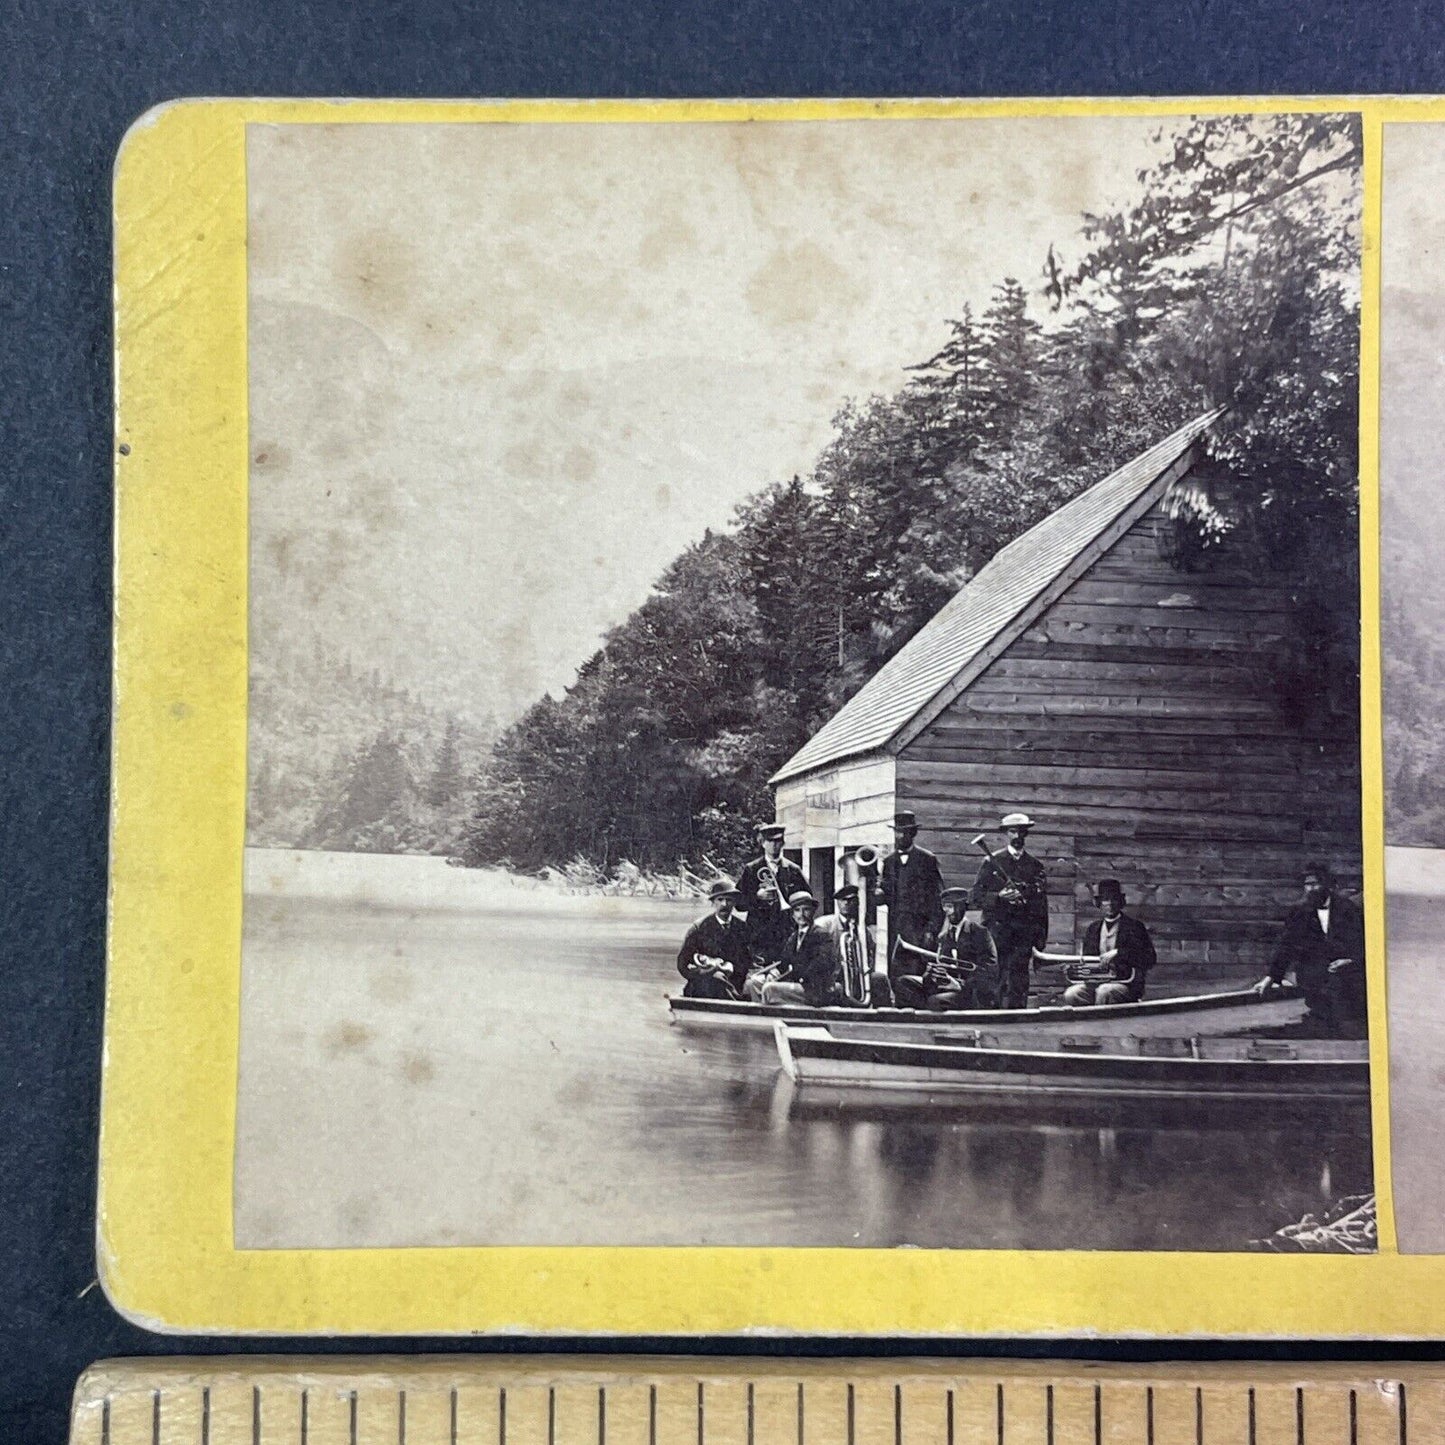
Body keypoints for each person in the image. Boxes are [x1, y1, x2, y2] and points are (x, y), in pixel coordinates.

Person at [1254, 863, 1367, 1037]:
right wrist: (1271, 977)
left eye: (1315, 884)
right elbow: (1286, 944)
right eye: (1307, 885)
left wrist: (1351, 961)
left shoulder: (1348, 909)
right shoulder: (1299, 911)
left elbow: (1362, 942)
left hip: (1347, 976)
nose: (1310, 889)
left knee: (1348, 1021)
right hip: (1313, 977)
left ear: (1328, 886)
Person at [971, 811, 1049, 1009]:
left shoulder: (1035, 866)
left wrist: (1040, 940)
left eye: (1021, 832)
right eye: (1013, 832)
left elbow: (1041, 905)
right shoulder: (991, 862)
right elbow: (975, 897)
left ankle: (1017, 1020)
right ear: (1006, 834)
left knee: (1019, 981)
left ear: (1026, 834)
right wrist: (999, 897)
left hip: (1023, 933)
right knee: (995, 979)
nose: (1017, 837)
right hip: (997, 932)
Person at [893, 886, 1000, 1010]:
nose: (946, 911)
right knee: (903, 982)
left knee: (935, 1001)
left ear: (962, 907)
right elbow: (942, 967)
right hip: (948, 988)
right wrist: (931, 974)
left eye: (950, 906)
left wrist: (961, 985)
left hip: (971, 992)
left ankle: (928, 1011)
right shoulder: (944, 937)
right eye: (944, 906)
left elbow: (989, 971)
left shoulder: (979, 933)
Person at [1063, 878, 1156, 1006]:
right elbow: (1089, 960)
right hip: (1097, 983)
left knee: (1104, 991)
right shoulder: (1093, 929)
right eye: (1106, 900)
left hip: (1126, 984)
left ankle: (1102, 1026)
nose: (1110, 904)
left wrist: (1119, 953)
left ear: (1121, 902)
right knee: (1072, 994)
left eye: (1114, 899)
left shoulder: (1134, 927)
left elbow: (1149, 958)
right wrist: (1074, 970)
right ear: (1099, 903)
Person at [752, 890, 845, 1007]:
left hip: (815, 989)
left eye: (806, 909)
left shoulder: (821, 934)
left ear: (812, 912)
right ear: (792, 914)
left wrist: (789, 977)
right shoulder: (794, 936)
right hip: (800, 983)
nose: (801, 914)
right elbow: (784, 961)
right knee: (754, 982)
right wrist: (775, 973)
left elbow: (821, 965)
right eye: (797, 910)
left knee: (769, 988)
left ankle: (772, 1016)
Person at [879, 811, 944, 979]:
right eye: (897, 832)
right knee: (896, 970)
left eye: (904, 832)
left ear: (913, 834)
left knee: (921, 972)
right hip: (896, 928)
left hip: (921, 929)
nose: (899, 836)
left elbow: (938, 899)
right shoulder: (888, 862)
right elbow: (885, 897)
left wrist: (932, 930)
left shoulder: (927, 859)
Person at [736, 823, 809, 967]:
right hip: (759, 934)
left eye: (778, 841)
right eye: (770, 841)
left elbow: (807, 898)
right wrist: (757, 897)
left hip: (786, 932)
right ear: (762, 843)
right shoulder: (751, 869)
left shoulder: (793, 870)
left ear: (783, 843)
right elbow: (738, 904)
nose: (775, 845)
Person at [675, 879, 753, 999]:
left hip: (735, 984)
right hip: (704, 987)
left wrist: (733, 968)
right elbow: (682, 964)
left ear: (734, 903)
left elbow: (750, 961)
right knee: (716, 979)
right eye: (720, 899)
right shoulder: (699, 928)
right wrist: (709, 971)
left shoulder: (743, 928)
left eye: (729, 900)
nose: (724, 904)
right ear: (713, 902)